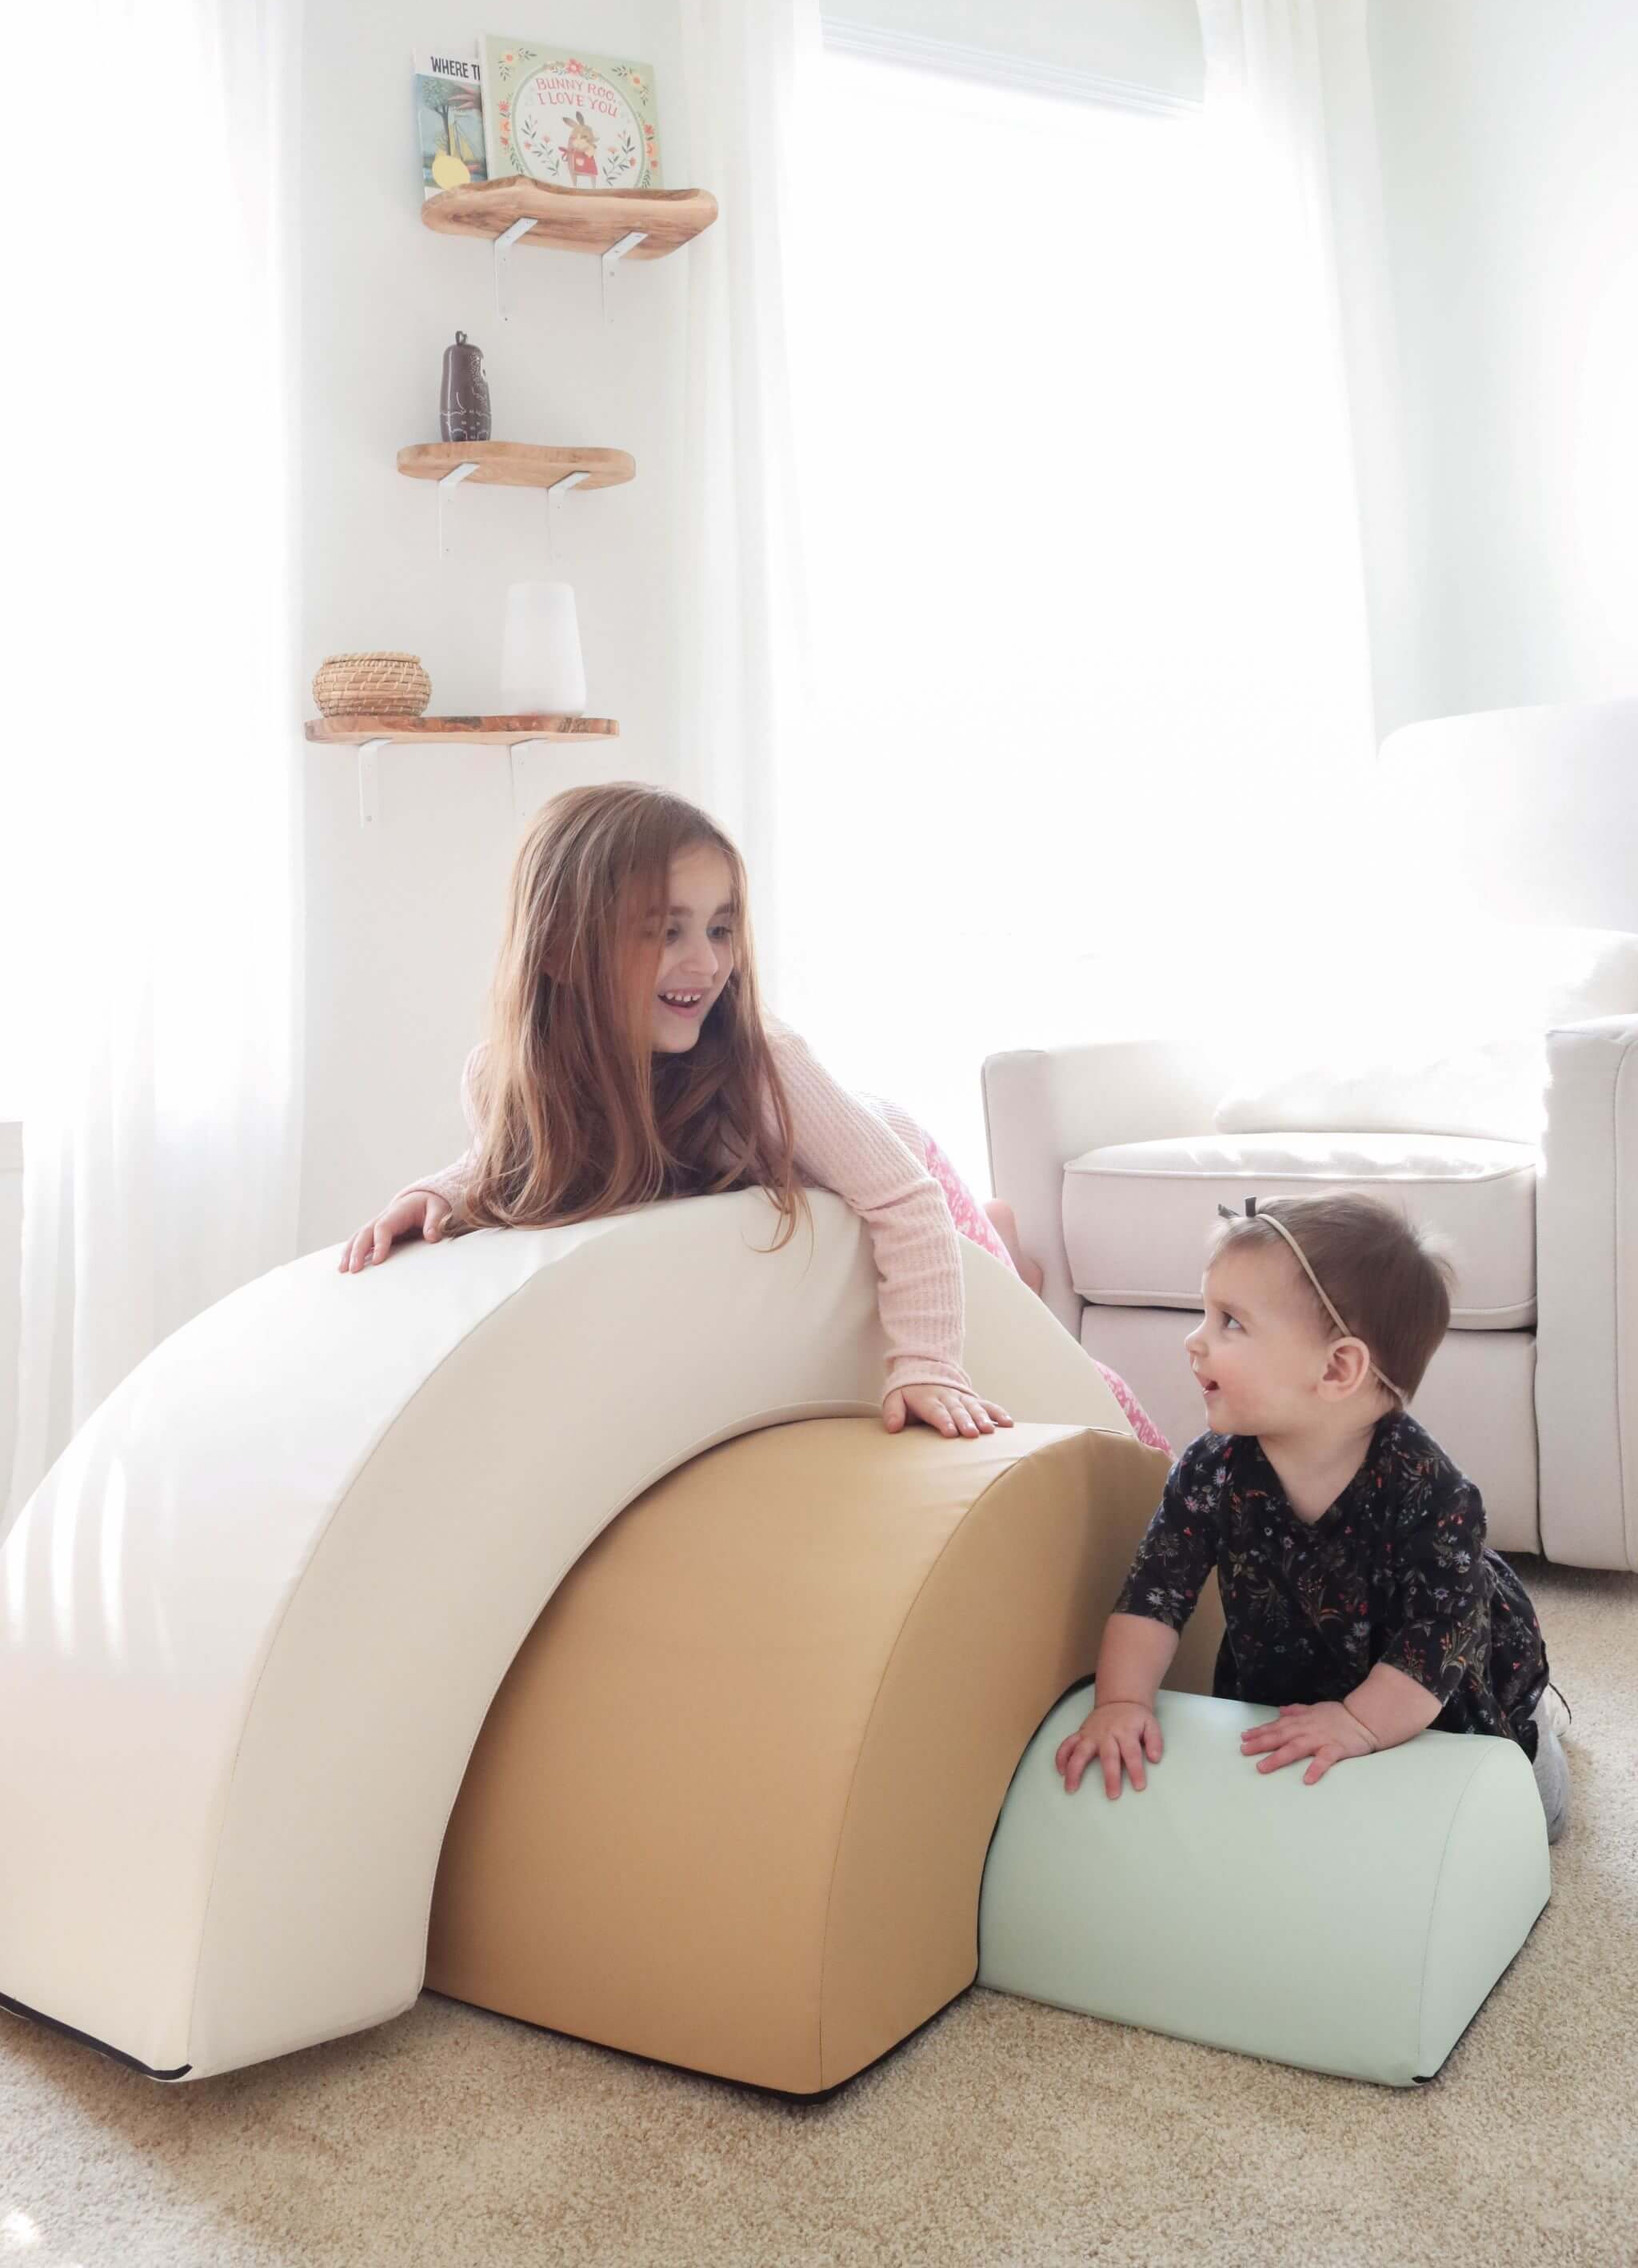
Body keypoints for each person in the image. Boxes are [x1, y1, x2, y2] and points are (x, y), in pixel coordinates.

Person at [338, 781, 1165, 1447]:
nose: (704, 963)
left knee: (1059, 1363)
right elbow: (509, 1157)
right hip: (815, 1181)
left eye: (721, 928)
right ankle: (1008, 1242)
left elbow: (901, 1201)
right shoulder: (501, 1076)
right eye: (666, 932)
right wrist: (442, 1192)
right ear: (556, 949)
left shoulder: (760, 1066)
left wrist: (926, 1364)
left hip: (902, 1171)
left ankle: (999, 1244)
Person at [1055, 1192, 1568, 1841]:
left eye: (1230, 1322)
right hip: (1291, 1664)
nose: (1194, 1339)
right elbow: (1154, 1595)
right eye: (1204, 1313)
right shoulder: (1211, 1472)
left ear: (1337, 1369)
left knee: (1536, 1822)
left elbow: (1436, 1644)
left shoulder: (1434, 1496)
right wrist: (1121, 1700)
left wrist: (1358, 1722)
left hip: (1428, 1677)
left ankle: (1542, 1731)